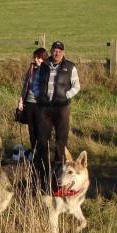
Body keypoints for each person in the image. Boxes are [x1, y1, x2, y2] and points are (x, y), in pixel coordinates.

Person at [32, 41, 80, 192]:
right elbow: (35, 83)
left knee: (61, 143)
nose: (57, 53)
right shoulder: (44, 66)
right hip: (44, 108)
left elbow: (76, 86)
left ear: (63, 52)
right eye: (54, 50)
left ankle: (58, 178)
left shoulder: (70, 67)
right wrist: (38, 95)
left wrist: (66, 96)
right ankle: (42, 176)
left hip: (61, 109)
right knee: (42, 142)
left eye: (59, 50)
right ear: (51, 52)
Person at [17, 47, 48, 154]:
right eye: (35, 57)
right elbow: (25, 85)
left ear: (43, 58)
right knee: (31, 129)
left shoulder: (48, 70)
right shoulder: (31, 68)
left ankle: (41, 152)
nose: (36, 59)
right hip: (29, 103)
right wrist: (21, 101)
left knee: (41, 129)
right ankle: (34, 151)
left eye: (38, 57)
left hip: (41, 105)